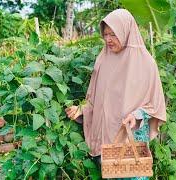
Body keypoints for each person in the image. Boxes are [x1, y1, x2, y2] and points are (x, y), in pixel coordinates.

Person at [65, 9, 166, 179]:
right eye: (105, 34)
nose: (108, 39)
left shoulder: (145, 62)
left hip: (131, 134)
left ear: (126, 31)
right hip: (106, 135)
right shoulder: (103, 58)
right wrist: (81, 109)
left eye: (113, 34)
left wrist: (136, 114)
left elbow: (154, 104)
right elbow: (96, 96)